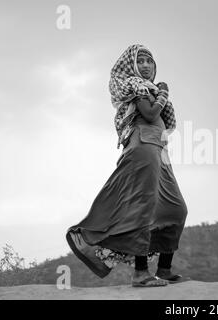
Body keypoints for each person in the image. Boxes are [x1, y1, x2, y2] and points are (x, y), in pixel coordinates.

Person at [66, 44, 189, 287]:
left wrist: (160, 92)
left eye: (149, 61)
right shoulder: (137, 86)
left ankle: (164, 269)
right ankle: (141, 274)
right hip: (143, 147)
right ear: (132, 65)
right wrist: (163, 91)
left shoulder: (149, 88)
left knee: (175, 209)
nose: (145, 65)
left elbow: (161, 120)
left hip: (159, 151)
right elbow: (152, 114)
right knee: (143, 208)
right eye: (140, 61)